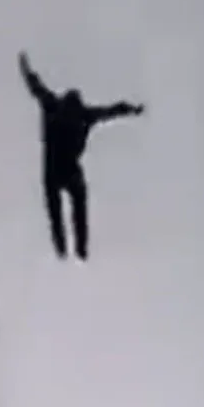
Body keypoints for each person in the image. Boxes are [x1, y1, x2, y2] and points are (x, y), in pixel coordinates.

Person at [18, 51, 145, 260]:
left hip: (56, 166)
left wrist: (26, 69)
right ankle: (74, 247)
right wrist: (131, 110)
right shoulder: (73, 111)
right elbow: (112, 110)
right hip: (63, 166)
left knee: (64, 204)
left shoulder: (63, 108)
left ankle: (71, 247)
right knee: (70, 204)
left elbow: (36, 87)